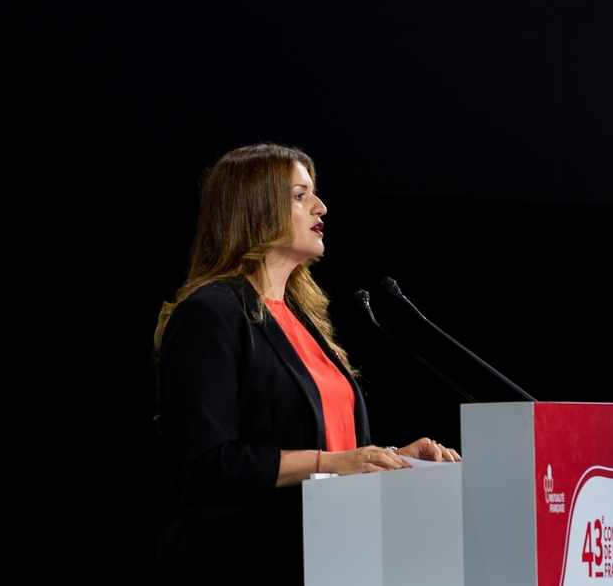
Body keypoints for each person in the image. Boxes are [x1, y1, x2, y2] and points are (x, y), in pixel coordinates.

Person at [152, 143, 460, 585]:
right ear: (255, 209)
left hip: (328, 558)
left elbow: (332, 447)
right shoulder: (210, 313)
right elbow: (209, 462)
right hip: (244, 565)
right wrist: (334, 463)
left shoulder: (301, 318)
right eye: (300, 195)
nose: (321, 206)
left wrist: (389, 460)